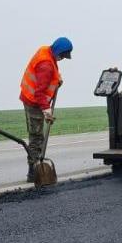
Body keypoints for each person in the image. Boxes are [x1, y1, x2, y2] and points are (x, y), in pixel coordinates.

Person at [19, 37, 72, 182]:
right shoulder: (46, 65)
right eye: (62, 56)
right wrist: (47, 111)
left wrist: (57, 78)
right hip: (34, 102)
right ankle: (33, 172)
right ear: (58, 51)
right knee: (36, 137)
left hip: (31, 98)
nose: (62, 59)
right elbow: (39, 92)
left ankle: (35, 167)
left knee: (36, 136)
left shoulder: (46, 51)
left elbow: (50, 71)